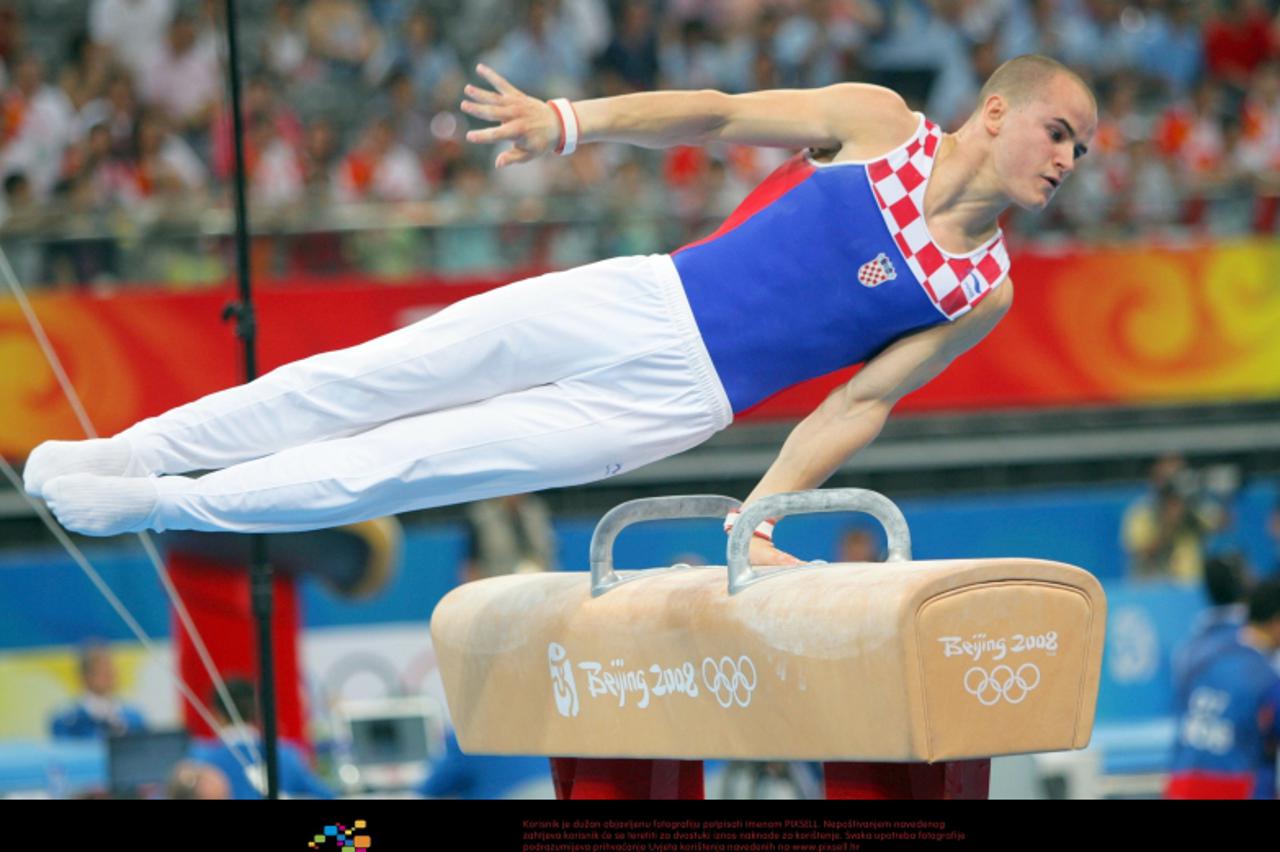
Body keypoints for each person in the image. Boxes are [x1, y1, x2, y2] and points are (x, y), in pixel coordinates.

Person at [23, 54, 1096, 569]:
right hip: (639, 297)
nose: (1065, 159)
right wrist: (569, 122)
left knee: (394, 470)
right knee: (361, 380)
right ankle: (125, 453)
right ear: (993, 108)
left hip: (671, 408)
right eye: (1056, 131)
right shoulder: (878, 124)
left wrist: (754, 516)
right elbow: (719, 113)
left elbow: (855, 406)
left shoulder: (978, 290)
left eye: (1080, 152)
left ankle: (154, 506)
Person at [1165, 576, 1280, 800]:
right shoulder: (1266, 678)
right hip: (1236, 788)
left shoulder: (1202, 656)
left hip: (1181, 785)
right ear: (1276, 622)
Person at [188, 677, 333, 800]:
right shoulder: (286, 755)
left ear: (216, 714)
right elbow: (327, 796)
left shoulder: (201, 760)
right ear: (256, 711)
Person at [49, 641, 147, 739]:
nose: (109, 676)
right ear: (85, 676)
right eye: (101, 672)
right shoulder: (68, 720)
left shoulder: (133, 717)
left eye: (110, 670)